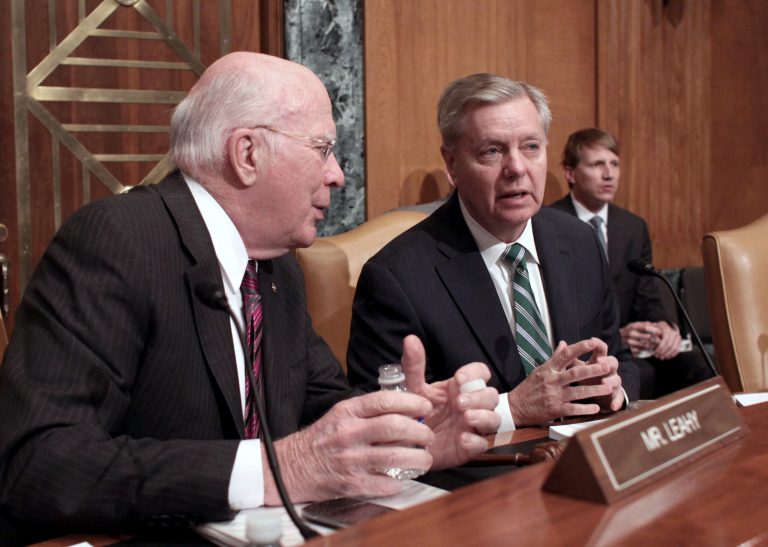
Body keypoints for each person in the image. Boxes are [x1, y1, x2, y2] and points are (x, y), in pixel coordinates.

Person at [0, 52, 500, 544]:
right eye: (323, 148)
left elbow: (320, 407)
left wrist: (405, 429)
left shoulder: (277, 265)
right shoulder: (119, 240)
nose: (338, 174)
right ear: (247, 154)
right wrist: (275, 470)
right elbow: (39, 463)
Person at [347, 73, 639, 434]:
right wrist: (513, 409)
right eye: (492, 150)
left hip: (587, 458)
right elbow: (384, 423)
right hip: (480, 477)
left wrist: (614, 392)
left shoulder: (579, 242)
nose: (517, 168)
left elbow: (618, 356)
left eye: (531, 147)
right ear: (452, 165)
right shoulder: (397, 277)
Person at [550, 127, 710, 398]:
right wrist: (616, 337)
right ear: (570, 173)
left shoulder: (633, 227)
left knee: (698, 365)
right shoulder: (549, 223)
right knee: (637, 374)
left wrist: (663, 327)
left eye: (614, 164)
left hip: (636, 348)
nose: (609, 174)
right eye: (597, 164)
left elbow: (648, 296)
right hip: (585, 350)